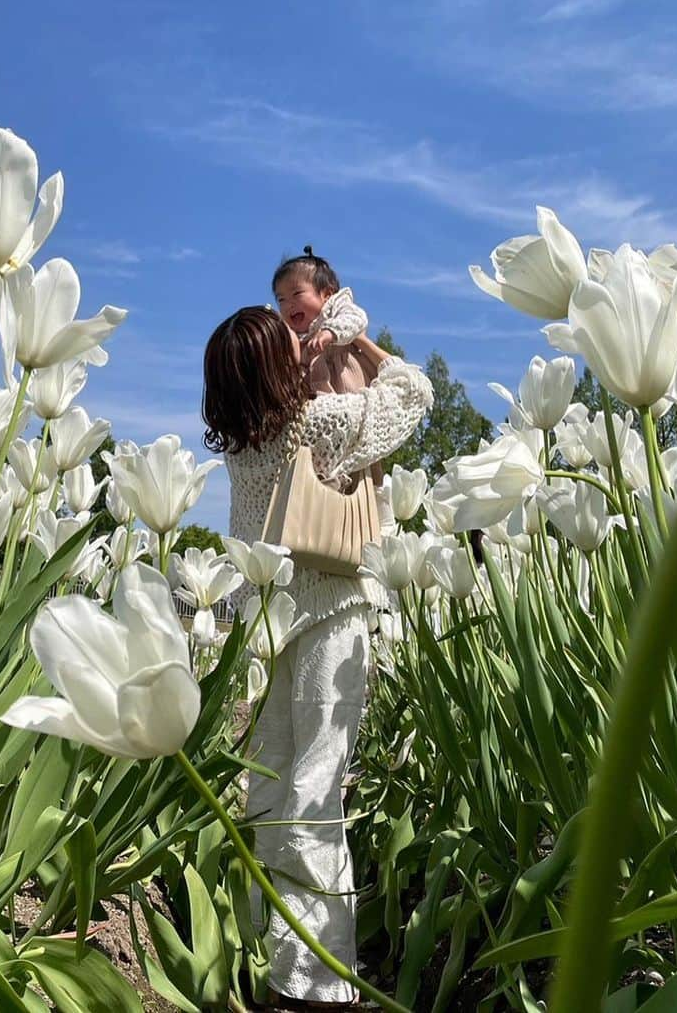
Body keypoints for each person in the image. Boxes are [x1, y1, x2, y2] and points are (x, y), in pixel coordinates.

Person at [202, 307, 433, 1009]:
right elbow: (414, 393)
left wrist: (298, 351)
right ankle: (316, 984)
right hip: (330, 613)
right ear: (276, 366)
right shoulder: (319, 426)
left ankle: (264, 952)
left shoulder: (238, 450)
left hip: (266, 624)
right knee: (315, 793)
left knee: (267, 790)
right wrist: (353, 337)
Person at [272, 248, 395, 534]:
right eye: (281, 300)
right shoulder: (292, 335)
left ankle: (381, 509)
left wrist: (329, 334)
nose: (288, 305)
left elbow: (357, 319)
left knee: (370, 460)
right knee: (329, 465)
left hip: (350, 392)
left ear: (326, 294)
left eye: (296, 294)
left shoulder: (338, 311)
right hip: (322, 404)